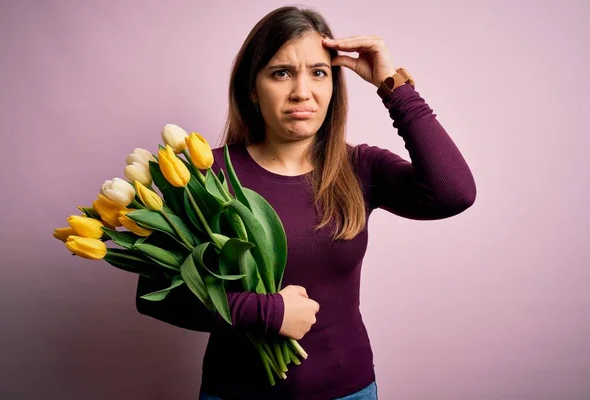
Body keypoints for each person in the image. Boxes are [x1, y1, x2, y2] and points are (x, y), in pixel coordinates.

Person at [136, 5, 476, 400]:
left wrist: (392, 86)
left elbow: (455, 194)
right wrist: (268, 313)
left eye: (319, 72)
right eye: (281, 73)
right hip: (237, 393)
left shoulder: (360, 167)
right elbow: (155, 294)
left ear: (334, 83)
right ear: (252, 87)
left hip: (349, 391)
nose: (302, 91)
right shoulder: (207, 175)